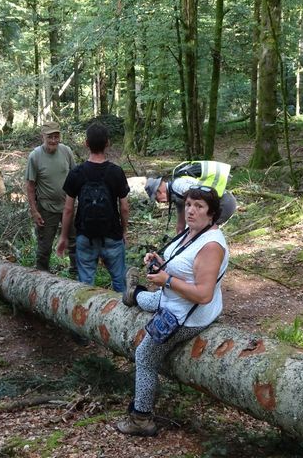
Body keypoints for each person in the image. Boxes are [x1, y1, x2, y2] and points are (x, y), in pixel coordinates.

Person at [116, 186, 229, 436]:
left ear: (212, 213)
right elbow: (183, 266)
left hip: (188, 315)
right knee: (154, 300)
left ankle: (141, 419)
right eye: (188, 204)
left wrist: (167, 280)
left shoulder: (211, 246)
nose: (190, 210)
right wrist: (160, 262)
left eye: (199, 206)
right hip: (172, 299)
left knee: (145, 355)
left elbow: (203, 294)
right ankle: (135, 294)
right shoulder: (193, 232)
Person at [56, 123, 130, 291]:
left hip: (85, 236)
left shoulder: (76, 172)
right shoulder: (116, 172)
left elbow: (68, 209)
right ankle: (122, 315)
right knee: (119, 282)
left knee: (85, 285)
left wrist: (64, 236)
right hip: (112, 235)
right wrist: (124, 231)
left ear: (86, 143)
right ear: (107, 144)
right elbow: (124, 207)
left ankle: (85, 314)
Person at [25, 122, 78, 274]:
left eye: (56, 136)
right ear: (43, 136)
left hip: (68, 206)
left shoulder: (66, 151)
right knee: (45, 244)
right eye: (50, 137)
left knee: (74, 241)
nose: (54, 140)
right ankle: (42, 275)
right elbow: (30, 186)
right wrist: (34, 211)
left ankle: (76, 272)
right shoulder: (35, 156)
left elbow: (75, 176)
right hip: (46, 208)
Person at [145, 173, 236, 234]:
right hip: (221, 203)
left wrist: (192, 231)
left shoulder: (178, 186)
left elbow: (202, 200)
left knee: (206, 232)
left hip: (224, 203)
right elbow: (181, 222)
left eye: (156, 198)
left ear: (159, 191)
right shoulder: (176, 195)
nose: (159, 202)